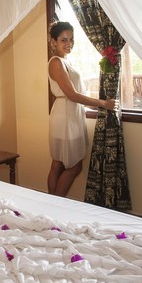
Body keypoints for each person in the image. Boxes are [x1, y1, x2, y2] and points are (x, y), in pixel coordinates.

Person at [47, 21, 116, 197]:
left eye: (71, 39)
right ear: (53, 41)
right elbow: (72, 95)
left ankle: (50, 204)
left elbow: (76, 93)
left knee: (58, 164)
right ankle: (57, 204)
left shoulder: (66, 61)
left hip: (70, 113)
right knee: (73, 166)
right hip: (65, 116)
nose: (69, 43)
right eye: (63, 39)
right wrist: (103, 103)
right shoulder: (56, 62)